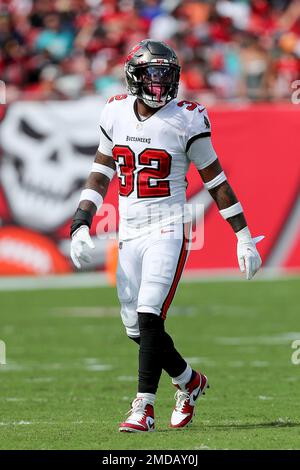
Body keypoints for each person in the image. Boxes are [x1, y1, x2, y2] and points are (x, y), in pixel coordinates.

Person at [70, 39, 263, 432]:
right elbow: (101, 172)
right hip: (129, 230)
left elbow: (216, 181)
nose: (159, 83)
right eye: (151, 74)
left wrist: (243, 235)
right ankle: (189, 381)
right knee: (135, 329)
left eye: (165, 75)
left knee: (149, 314)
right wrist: (80, 221)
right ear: (134, 78)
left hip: (169, 227)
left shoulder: (188, 118)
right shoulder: (115, 112)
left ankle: (143, 407)